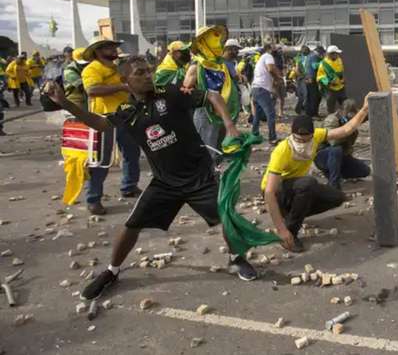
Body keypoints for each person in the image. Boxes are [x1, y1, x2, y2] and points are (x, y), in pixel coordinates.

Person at [44, 55, 260, 300]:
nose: (148, 75)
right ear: (125, 80)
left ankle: (236, 258)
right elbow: (99, 123)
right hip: (165, 182)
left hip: (199, 176)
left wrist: (230, 126)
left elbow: (212, 96)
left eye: (148, 70)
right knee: (131, 225)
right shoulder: (127, 111)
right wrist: (63, 102)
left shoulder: (169, 93)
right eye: (140, 73)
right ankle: (111, 272)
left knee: (226, 217)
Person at [262, 101, 370, 252]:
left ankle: (293, 214)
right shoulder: (282, 151)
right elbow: (269, 192)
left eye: (306, 140)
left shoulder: (318, 136)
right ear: (292, 135)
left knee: (337, 197)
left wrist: (364, 109)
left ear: (312, 136)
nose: (302, 143)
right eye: (298, 139)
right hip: (277, 193)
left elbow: (346, 130)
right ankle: (290, 233)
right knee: (308, 183)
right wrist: (281, 230)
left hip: (296, 187)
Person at [81, 38, 142, 215]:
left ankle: (129, 186)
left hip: (124, 114)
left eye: (115, 46)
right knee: (101, 160)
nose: (115, 49)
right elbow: (92, 90)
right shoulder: (92, 69)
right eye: (110, 47)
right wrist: (122, 87)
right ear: (98, 51)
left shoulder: (116, 68)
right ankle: (93, 199)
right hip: (103, 118)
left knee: (132, 152)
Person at [184, 25, 241, 166]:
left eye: (218, 39)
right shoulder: (197, 65)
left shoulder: (220, 65)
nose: (218, 42)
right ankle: (205, 181)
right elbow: (186, 90)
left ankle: (214, 177)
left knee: (219, 150)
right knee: (207, 151)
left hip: (223, 113)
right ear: (204, 43)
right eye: (213, 39)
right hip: (206, 113)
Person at [314, 99, 371, 190]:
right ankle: (334, 185)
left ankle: (337, 172)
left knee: (365, 171)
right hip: (323, 155)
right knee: (336, 150)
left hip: (341, 156)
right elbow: (333, 142)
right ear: (344, 112)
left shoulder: (349, 120)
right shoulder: (332, 120)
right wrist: (348, 130)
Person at [250, 43, 283, 144]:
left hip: (255, 88)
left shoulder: (261, 58)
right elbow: (270, 69)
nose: (276, 49)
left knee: (257, 114)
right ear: (269, 49)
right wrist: (278, 78)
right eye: (274, 47)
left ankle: (254, 135)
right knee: (271, 114)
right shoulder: (268, 56)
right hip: (262, 89)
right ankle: (272, 138)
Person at [317, 45, 346, 115]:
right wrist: (329, 82)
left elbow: (341, 71)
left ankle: (346, 118)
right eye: (336, 53)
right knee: (330, 106)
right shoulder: (324, 64)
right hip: (331, 89)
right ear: (331, 54)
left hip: (341, 87)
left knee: (345, 104)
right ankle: (331, 119)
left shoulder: (339, 60)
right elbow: (320, 77)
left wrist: (343, 79)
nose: (338, 55)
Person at [304, 46, 324, 118]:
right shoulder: (315, 56)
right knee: (315, 97)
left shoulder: (309, 56)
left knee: (310, 96)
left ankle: (309, 113)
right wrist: (322, 61)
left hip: (307, 78)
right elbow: (315, 66)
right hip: (312, 78)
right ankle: (314, 114)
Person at [292, 45, 310, 114]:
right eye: (307, 51)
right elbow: (296, 69)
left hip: (301, 78)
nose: (308, 52)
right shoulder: (299, 58)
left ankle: (299, 109)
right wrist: (303, 76)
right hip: (301, 79)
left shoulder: (302, 57)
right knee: (304, 95)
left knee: (302, 95)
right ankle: (300, 110)